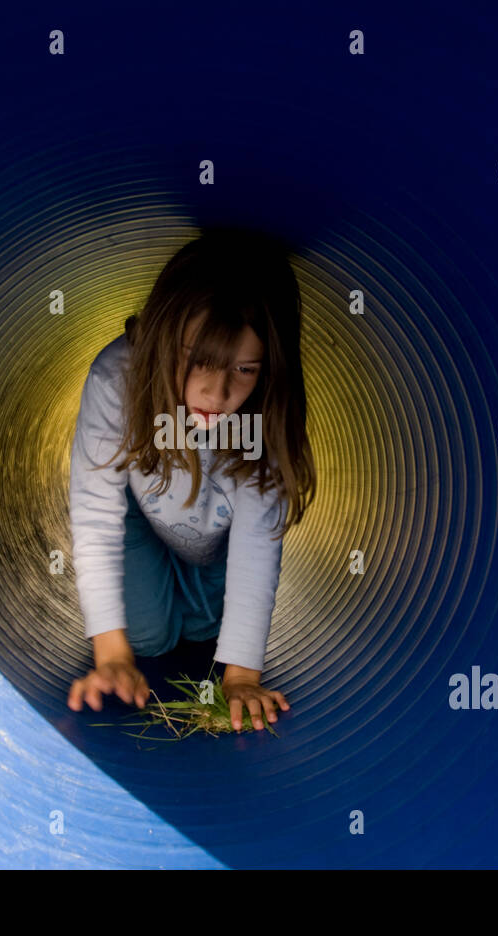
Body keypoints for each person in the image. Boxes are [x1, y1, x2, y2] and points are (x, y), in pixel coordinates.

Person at [66, 228, 316, 731]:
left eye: (244, 369)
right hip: (142, 522)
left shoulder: (262, 414)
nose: (217, 390)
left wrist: (241, 674)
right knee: (149, 640)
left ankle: (187, 597)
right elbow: (95, 516)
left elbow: (257, 541)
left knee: (208, 635)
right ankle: (155, 603)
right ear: (165, 335)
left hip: (213, 541)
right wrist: (111, 655)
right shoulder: (118, 378)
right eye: (199, 360)